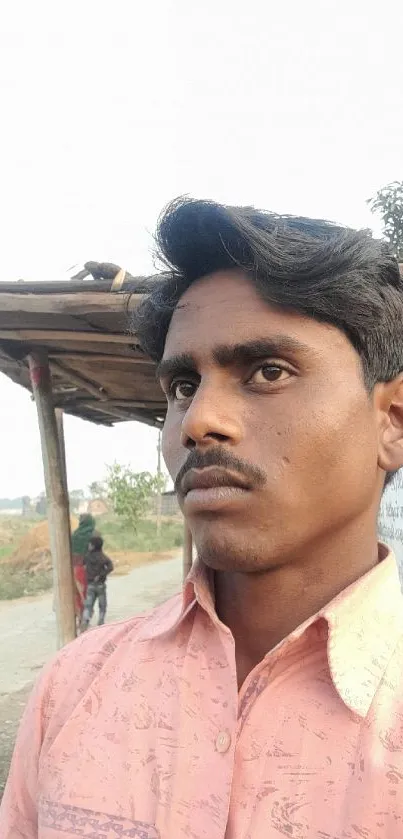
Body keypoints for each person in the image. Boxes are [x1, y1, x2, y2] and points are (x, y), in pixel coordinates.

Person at [3, 198, 403, 838]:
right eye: (183, 387)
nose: (197, 422)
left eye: (267, 371)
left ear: (392, 421)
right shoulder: (73, 689)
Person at [80, 535, 114, 629]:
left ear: (93, 546)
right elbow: (111, 567)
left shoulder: (87, 556)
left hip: (90, 585)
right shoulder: (103, 557)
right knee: (102, 604)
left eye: (90, 544)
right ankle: (101, 621)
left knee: (88, 605)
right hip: (100, 585)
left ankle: (86, 620)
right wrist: (102, 574)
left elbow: (82, 564)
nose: (88, 546)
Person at [70, 513, 96, 625]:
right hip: (88, 569)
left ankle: (80, 616)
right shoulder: (93, 536)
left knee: (77, 593)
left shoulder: (74, 535)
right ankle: (85, 617)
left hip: (74, 569)